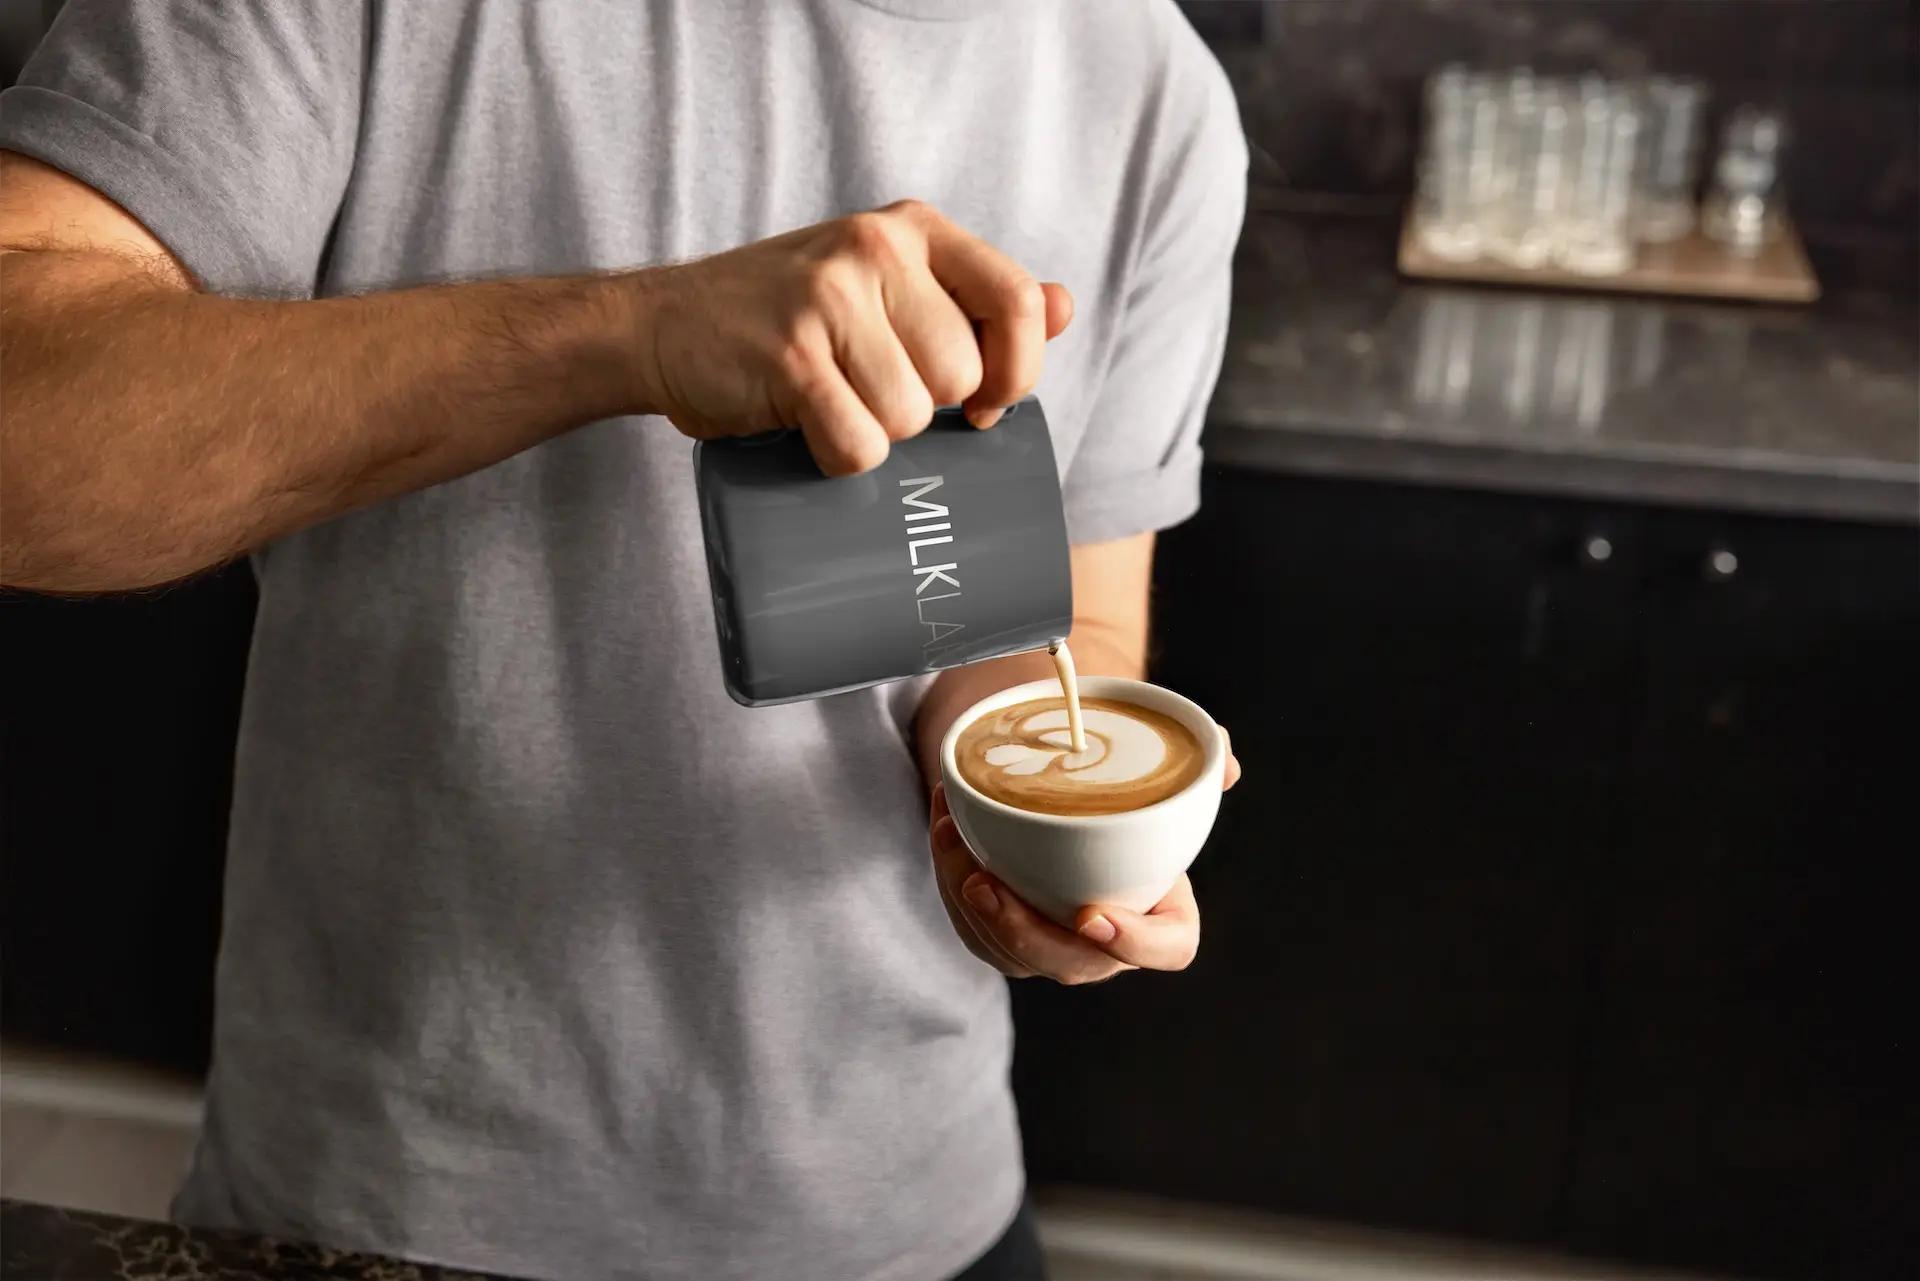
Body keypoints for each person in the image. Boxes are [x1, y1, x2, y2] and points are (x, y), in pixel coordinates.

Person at [0, 1, 1246, 1277]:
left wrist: (1039, 830)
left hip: (907, 1217)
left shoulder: (1155, 87)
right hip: (383, 1213)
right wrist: (624, 333)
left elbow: (1066, 629)